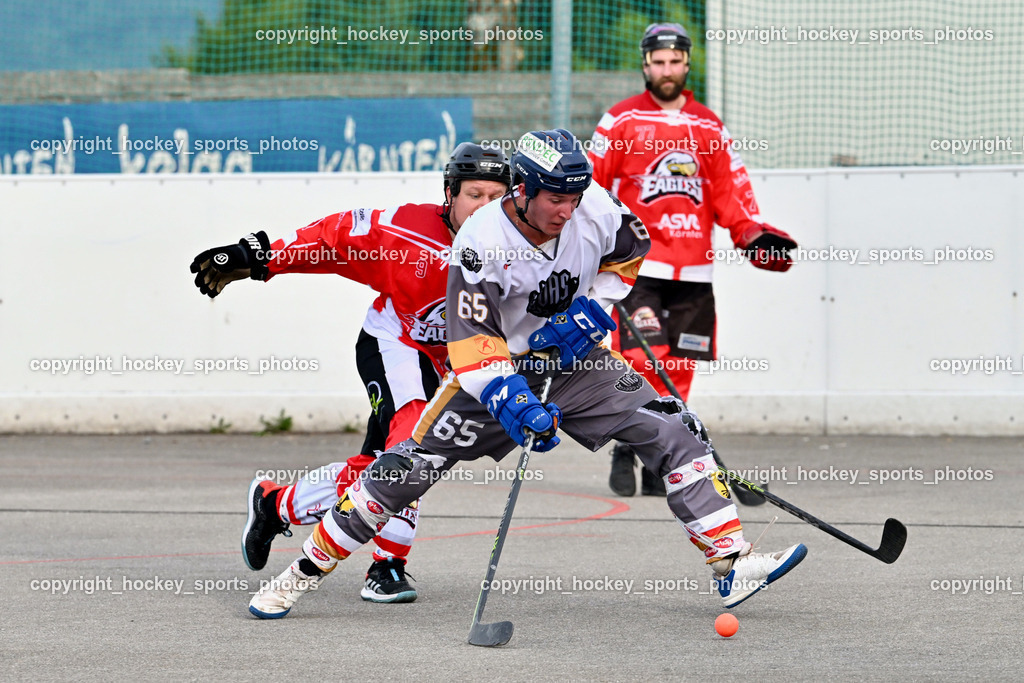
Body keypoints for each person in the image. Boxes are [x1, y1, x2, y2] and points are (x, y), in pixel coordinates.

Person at [246, 128, 806, 620]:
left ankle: (731, 563)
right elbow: (472, 342)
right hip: (495, 371)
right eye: (556, 198)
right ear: (524, 190)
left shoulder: (594, 208)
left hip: (575, 363)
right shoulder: (480, 243)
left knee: (673, 424)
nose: (567, 210)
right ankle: (297, 576)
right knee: (402, 470)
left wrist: (595, 308)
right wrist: (513, 399)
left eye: (575, 196)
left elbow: (631, 249)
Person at [189, 143, 511, 604]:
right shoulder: (405, 229)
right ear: (449, 194)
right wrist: (260, 257)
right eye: (474, 195)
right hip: (396, 344)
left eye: (496, 197)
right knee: (413, 448)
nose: (485, 207)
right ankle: (387, 565)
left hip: (454, 363)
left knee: (388, 465)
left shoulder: (520, 245)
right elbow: (335, 237)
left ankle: (278, 504)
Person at [589, 23, 800, 498]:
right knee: (643, 362)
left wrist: (753, 235)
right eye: (658, 62)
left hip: (695, 271)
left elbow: (732, 195)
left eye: (675, 61)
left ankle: (662, 459)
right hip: (638, 267)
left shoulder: (708, 126)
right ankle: (628, 444)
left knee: (681, 368)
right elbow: (592, 190)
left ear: (687, 64)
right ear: (646, 65)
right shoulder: (619, 121)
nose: (666, 70)